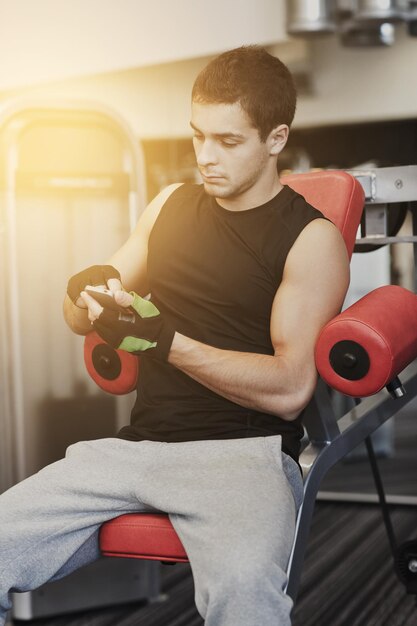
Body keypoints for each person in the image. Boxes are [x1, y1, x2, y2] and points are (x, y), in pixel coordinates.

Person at [0, 46, 349, 625]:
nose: (206, 158)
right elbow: (81, 316)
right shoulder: (168, 206)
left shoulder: (310, 240)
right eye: (197, 137)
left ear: (276, 139)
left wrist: (163, 340)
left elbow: (289, 388)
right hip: (133, 450)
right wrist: (84, 293)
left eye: (228, 142)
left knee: (244, 591)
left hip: (240, 458)